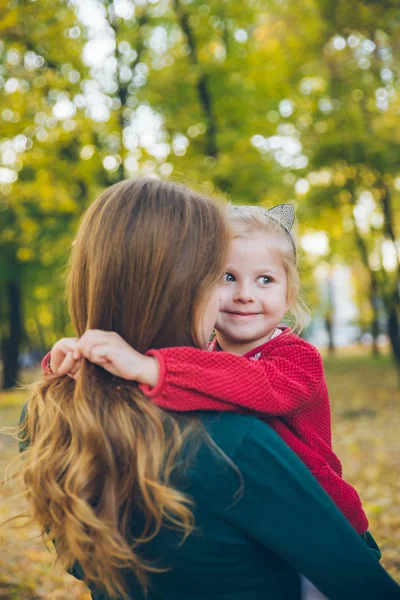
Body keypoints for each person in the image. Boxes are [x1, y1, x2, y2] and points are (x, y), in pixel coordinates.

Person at [20, 179, 400, 600]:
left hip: (327, 518)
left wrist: (148, 367)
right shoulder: (202, 372)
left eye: (265, 281)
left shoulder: (294, 359)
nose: (242, 295)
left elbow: (257, 387)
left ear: (291, 293)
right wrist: (78, 360)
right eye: (225, 277)